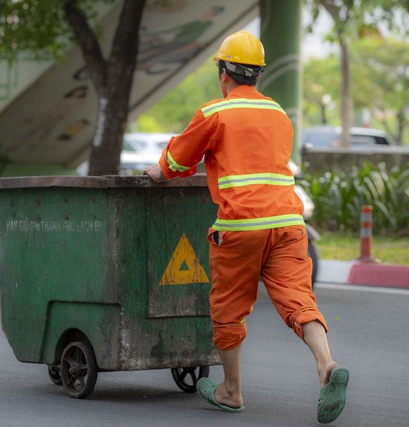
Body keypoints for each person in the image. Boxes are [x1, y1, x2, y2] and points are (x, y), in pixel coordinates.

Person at [144, 29, 349, 424]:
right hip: (289, 224)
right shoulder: (278, 114)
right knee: (298, 301)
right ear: (257, 75)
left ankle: (232, 392)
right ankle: (326, 364)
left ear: (224, 73)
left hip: (241, 227)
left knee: (228, 311)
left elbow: (177, 160)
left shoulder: (214, 113)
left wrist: (156, 172)